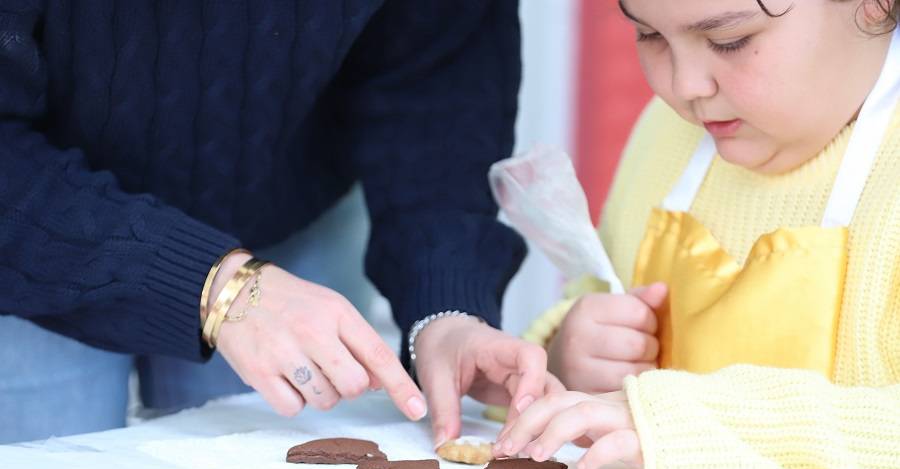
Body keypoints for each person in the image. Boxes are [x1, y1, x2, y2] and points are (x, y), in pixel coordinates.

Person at [0, 0, 553, 445]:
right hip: (30, 244)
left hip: (287, 218)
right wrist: (215, 288)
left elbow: (437, 91)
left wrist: (445, 308)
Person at [498, 0, 900, 469]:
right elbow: (598, 295)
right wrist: (565, 355)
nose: (685, 86)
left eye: (728, 40)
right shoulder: (667, 136)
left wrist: (687, 424)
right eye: (650, 36)